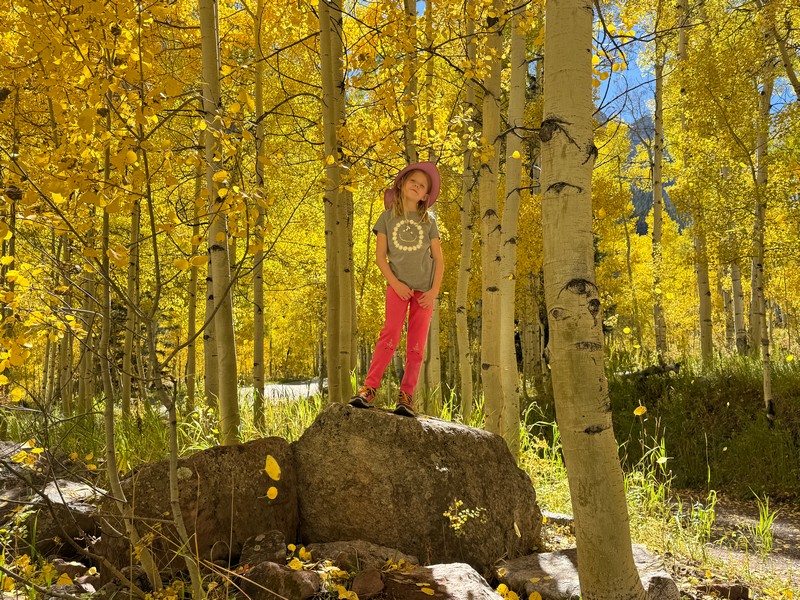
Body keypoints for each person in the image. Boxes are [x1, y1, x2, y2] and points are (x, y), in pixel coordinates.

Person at [349, 161, 445, 417]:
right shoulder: (387, 218)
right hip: (397, 286)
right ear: (402, 184)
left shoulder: (429, 221)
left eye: (422, 185)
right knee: (389, 335)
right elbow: (381, 257)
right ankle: (369, 388)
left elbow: (439, 259)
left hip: (424, 292)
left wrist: (433, 292)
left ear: (425, 196)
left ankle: (406, 396)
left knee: (416, 345)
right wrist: (396, 283)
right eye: (413, 181)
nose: (417, 186)